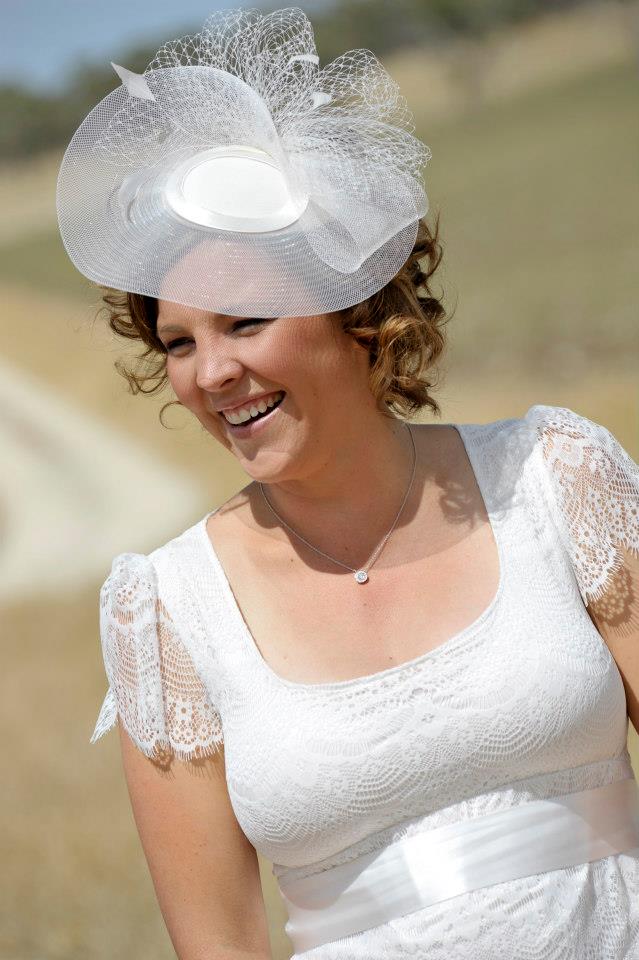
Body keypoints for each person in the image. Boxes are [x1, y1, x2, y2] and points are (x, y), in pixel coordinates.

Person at [57, 8, 639, 959]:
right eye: (178, 343)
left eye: (244, 321)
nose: (210, 374)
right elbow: (220, 946)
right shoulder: (166, 609)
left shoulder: (553, 477)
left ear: (352, 311)